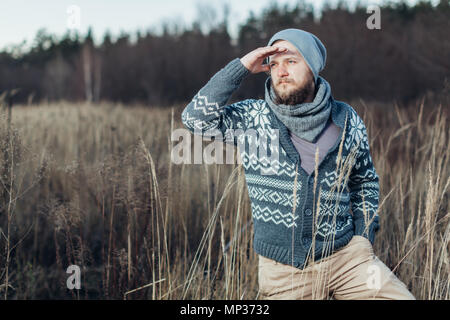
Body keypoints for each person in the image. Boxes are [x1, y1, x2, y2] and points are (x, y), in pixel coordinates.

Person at [181, 28, 415, 300]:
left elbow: (365, 181)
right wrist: (242, 66)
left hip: (348, 259)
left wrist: (363, 237)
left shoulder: (347, 119)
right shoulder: (252, 118)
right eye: (274, 64)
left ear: (313, 67)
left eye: (291, 61)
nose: (280, 71)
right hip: (284, 272)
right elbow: (195, 119)